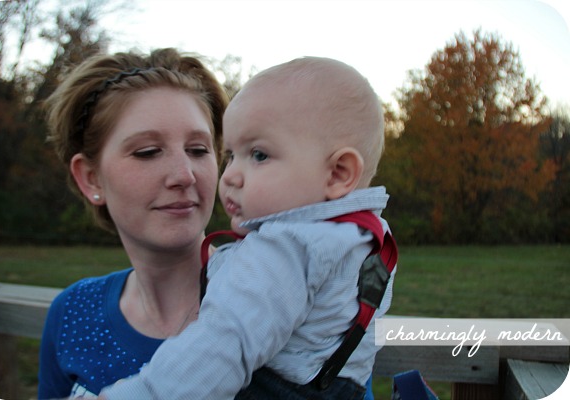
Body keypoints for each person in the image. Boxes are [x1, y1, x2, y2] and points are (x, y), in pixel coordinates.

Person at [101, 56, 397, 399]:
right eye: (230, 155)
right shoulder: (364, 238)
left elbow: (222, 346)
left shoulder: (286, 247)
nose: (230, 176)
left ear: (338, 174)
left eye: (258, 155)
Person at [37, 47, 229, 399]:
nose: (184, 175)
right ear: (91, 178)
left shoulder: (285, 306)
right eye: (147, 152)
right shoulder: (73, 313)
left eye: (199, 150)